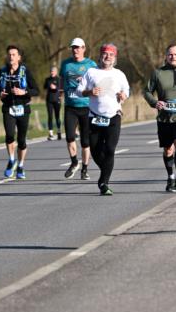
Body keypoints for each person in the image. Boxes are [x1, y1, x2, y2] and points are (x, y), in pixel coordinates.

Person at [75, 43, 130, 195]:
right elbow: (79, 91)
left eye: (111, 55)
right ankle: (105, 171)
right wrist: (89, 92)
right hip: (94, 116)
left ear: (115, 58)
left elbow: (126, 90)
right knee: (95, 150)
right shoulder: (91, 72)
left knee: (110, 149)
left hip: (113, 116)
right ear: (100, 56)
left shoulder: (119, 74)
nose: (108, 57)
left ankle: (104, 183)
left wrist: (124, 95)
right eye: (105, 54)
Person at [143, 44, 176, 192]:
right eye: (170, 54)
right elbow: (147, 91)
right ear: (166, 56)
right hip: (164, 117)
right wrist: (154, 102)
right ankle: (170, 178)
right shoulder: (158, 73)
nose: (173, 57)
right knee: (168, 149)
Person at [0, 45, 39, 180]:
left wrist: (24, 92)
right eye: (9, 54)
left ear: (19, 57)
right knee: (9, 135)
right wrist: (0, 93)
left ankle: (20, 165)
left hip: (23, 108)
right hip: (8, 108)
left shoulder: (25, 71)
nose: (11, 57)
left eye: (14, 54)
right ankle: (11, 160)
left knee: (21, 140)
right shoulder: (2, 71)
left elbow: (36, 90)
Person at [59, 38, 97, 180]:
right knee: (69, 137)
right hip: (70, 106)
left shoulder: (91, 65)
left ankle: (84, 169)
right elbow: (62, 79)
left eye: (78, 47)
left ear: (83, 48)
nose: (75, 50)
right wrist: (60, 92)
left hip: (86, 107)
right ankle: (74, 162)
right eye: (73, 47)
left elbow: (97, 81)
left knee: (85, 141)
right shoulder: (66, 64)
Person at [43, 66, 62, 140]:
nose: (52, 72)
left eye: (53, 71)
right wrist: (49, 86)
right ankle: (50, 133)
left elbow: (61, 88)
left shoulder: (59, 79)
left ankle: (59, 131)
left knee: (57, 116)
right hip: (49, 100)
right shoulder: (47, 79)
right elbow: (44, 87)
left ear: (56, 72)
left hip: (57, 100)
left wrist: (55, 87)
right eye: (51, 71)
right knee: (50, 116)